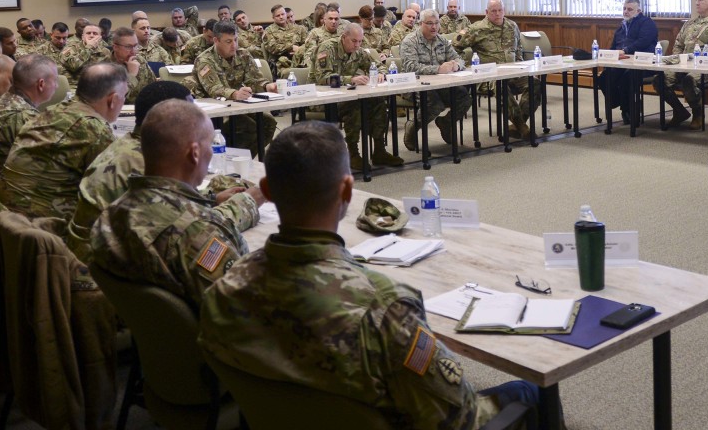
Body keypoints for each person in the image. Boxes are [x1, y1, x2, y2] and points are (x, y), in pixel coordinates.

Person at [198, 121, 544, 429]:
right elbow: (459, 416)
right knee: (528, 391)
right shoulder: (385, 309)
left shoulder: (224, 288)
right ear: (347, 192)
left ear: (267, 193)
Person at [90, 100, 263, 309]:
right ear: (195, 153)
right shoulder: (196, 232)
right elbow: (247, 309)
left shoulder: (112, 212)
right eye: (210, 145)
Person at [66, 81, 204, 261]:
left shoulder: (128, 145)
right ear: (171, 121)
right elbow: (193, 223)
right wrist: (246, 202)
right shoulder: (147, 163)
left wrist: (214, 196)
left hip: (97, 258)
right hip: (100, 273)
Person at [0, 61, 127, 227]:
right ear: (113, 100)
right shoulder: (95, 129)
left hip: (7, 222)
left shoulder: (51, 111)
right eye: (124, 96)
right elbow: (110, 190)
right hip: (47, 231)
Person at [311, 23, 403, 168]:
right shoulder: (327, 48)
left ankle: (379, 150)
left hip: (346, 94)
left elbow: (378, 65)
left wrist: (381, 73)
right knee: (354, 104)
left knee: (378, 102)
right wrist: (350, 79)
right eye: (354, 41)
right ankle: (353, 153)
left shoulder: (358, 51)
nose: (357, 45)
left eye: (360, 41)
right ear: (343, 37)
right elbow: (322, 78)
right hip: (322, 97)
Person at [0, 53, 58, 191]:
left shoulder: (2, 101)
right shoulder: (23, 115)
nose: (57, 86)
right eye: (55, 81)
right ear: (41, 84)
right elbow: (51, 165)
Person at [454, 0, 542, 139]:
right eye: (493, 11)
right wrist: (466, 66)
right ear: (486, 12)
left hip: (513, 73)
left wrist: (520, 64)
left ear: (504, 11)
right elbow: (454, 47)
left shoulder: (512, 26)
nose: (497, 14)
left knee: (535, 83)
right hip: (488, 77)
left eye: (500, 10)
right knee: (500, 84)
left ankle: (517, 124)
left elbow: (518, 48)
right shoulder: (476, 29)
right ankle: (522, 127)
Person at [189, 21, 277, 155]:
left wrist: (267, 86)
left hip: (237, 106)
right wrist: (235, 93)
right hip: (214, 109)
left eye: (235, 40)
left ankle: (243, 158)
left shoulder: (243, 55)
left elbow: (254, 79)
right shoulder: (205, 60)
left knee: (268, 123)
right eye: (228, 41)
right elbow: (214, 89)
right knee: (250, 126)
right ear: (216, 40)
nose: (234, 45)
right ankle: (231, 159)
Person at [655, 0, 708, 130]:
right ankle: (679, 111)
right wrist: (679, 59)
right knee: (659, 80)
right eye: (696, 0)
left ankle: (698, 114)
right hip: (683, 64)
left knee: (689, 80)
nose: (697, 3)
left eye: (700, 0)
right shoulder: (689, 23)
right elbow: (678, 44)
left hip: (707, 66)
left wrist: (696, 59)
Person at [399, 10, 470, 151]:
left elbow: (459, 58)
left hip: (439, 84)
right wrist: (437, 69)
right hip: (414, 84)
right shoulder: (410, 41)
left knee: (464, 98)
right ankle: (413, 127)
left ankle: (446, 123)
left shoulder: (442, 40)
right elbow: (410, 67)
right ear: (421, 24)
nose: (434, 27)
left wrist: (456, 65)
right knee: (435, 104)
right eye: (430, 23)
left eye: (436, 23)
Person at [597, 0, 658, 124]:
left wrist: (625, 50)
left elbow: (643, 42)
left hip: (642, 64)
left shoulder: (647, 23)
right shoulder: (622, 27)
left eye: (629, 9)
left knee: (626, 78)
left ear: (638, 11)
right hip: (622, 64)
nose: (626, 11)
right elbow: (614, 47)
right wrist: (609, 55)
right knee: (604, 77)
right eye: (624, 8)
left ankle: (627, 110)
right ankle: (620, 102)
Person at [110, 26, 155, 104]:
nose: (133, 51)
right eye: (128, 47)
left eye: (136, 46)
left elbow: (153, 86)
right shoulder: (104, 67)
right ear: (115, 47)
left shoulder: (139, 60)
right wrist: (132, 75)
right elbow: (115, 99)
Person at [262, 3, 307, 74]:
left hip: (299, 58)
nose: (281, 17)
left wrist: (299, 50)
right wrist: (291, 47)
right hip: (280, 62)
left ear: (286, 14)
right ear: (273, 17)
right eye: (278, 15)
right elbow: (273, 48)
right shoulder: (269, 31)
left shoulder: (299, 28)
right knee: (288, 73)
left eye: (283, 14)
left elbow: (308, 44)